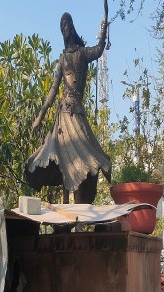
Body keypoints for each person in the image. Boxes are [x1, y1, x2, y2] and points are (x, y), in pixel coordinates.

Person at [25, 1, 111, 204]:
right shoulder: (62, 59)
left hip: (77, 112)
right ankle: (66, 204)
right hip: (63, 114)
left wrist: (104, 28)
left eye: (66, 25)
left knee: (87, 155)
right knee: (61, 157)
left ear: (72, 27)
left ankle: (80, 203)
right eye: (61, 27)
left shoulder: (82, 53)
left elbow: (99, 49)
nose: (64, 30)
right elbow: (53, 90)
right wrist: (39, 118)